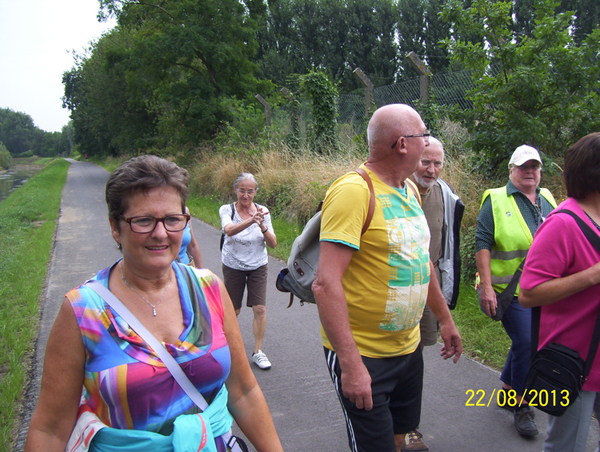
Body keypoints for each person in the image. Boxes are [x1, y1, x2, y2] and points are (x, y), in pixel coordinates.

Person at [25, 155, 283, 452]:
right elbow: (50, 430)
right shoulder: (82, 312)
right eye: (144, 220)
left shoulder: (209, 288)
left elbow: (243, 392)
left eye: (173, 219)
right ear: (115, 227)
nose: (161, 233)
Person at [312, 104, 462, 452]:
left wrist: (445, 319)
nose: (429, 141)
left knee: (401, 437)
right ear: (402, 144)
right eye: (423, 134)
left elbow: (420, 262)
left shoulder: (408, 189)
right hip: (364, 356)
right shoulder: (353, 191)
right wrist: (350, 365)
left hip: (408, 350)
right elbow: (325, 282)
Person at [519, 132, 600, 452]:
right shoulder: (564, 223)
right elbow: (529, 293)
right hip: (575, 363)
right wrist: (592, 276)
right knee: (567, 447)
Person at [475, 144, 557, 437]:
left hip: (543, 289)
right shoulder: (496, 200)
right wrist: (486, 288)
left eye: (534, 167)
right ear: (512, 170)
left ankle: (509, 390)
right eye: (523, 167)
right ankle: (522, 405)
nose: (530, 172)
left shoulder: (547, 198)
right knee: (527, 341)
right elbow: (482, 244)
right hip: (507, 291)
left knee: (527, 342)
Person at [404, 136, 464, 452]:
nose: (431, 169)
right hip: (393, 291)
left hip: (429, 288)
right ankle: (395, 424)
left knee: (415, 355)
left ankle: (408, 426)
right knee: (394, 354)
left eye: (438, 162)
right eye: (425, 161)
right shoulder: (397, 191)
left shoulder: (445, 195)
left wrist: (444, 304)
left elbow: (445, 250)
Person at [220, 173, 277, 370]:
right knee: (233, 310)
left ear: (255, 192)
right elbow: (229, 230)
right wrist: (252, 220)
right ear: (236, 190)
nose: (245, 195)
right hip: (233, 265)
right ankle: (227, 349)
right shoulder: (227, 209)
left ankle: (258, 352)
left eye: (250, 191)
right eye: (242, 190)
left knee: (259, 308)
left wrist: (261, 225)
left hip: (258, 266)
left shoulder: (263, 211)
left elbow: (273, 244)